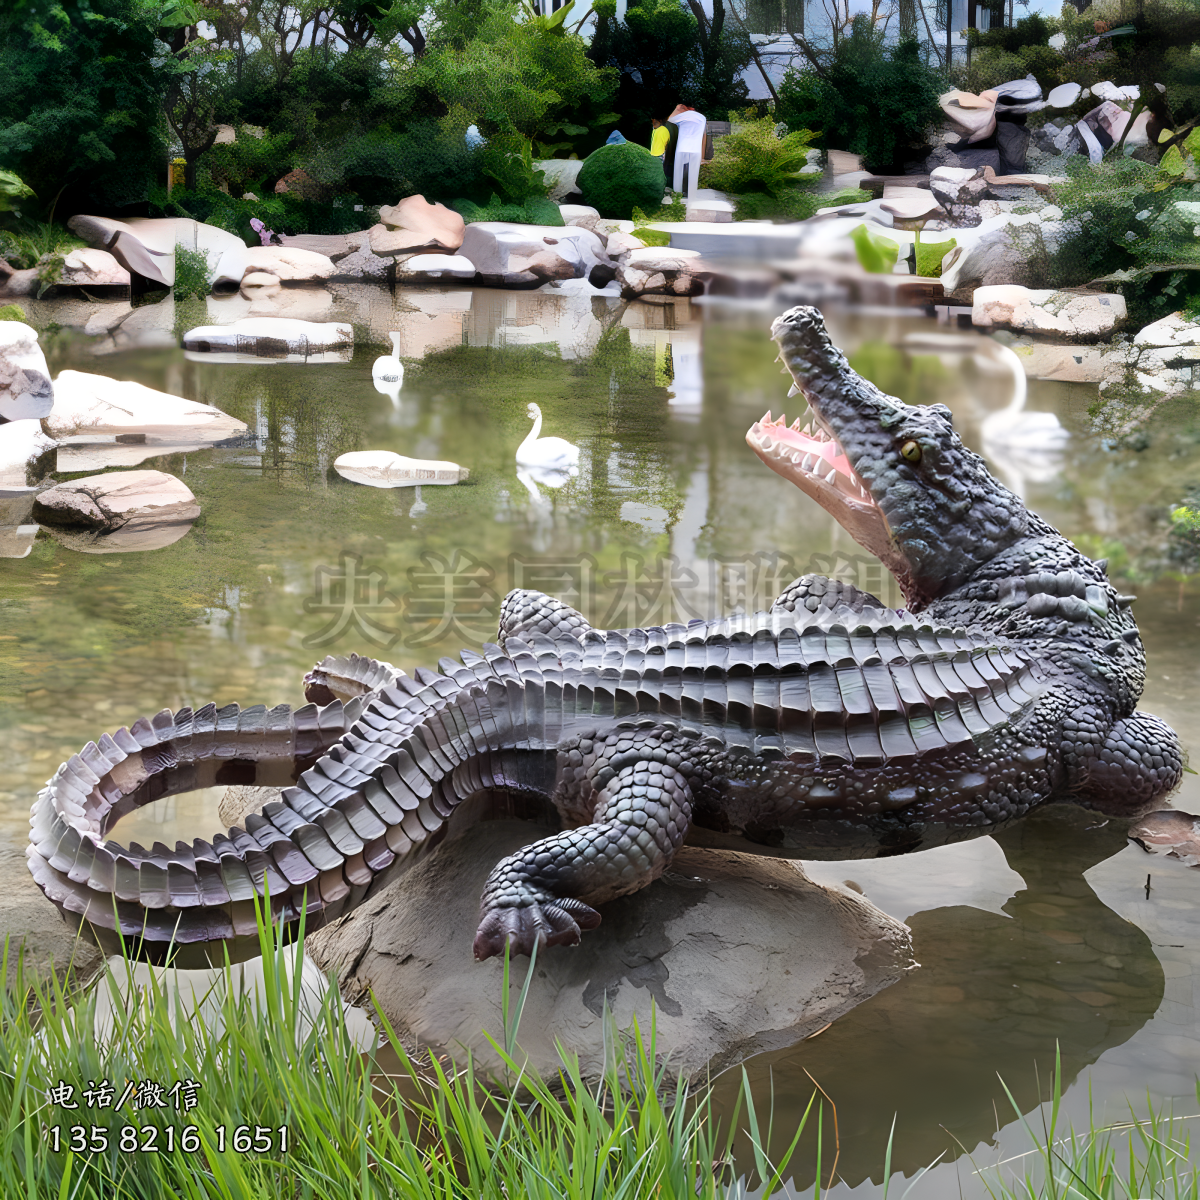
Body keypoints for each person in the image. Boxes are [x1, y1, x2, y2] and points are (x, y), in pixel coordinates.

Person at [668, 103, 706, 201]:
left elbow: (669, 120)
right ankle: (692, 197)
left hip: (682, 147)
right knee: (693, 174)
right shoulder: (702, 118)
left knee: (678, 173)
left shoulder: (683, 116)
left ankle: (677, 196)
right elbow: (704, 136)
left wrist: (676, 109)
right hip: (695, 149)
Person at [650, 111, 678, 189]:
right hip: (659, 154)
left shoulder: (660, 130)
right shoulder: (658, 129)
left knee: (658, 173)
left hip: (657, 155)